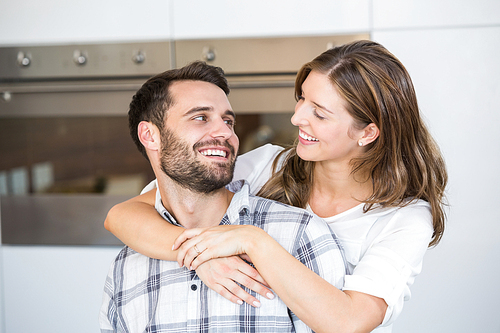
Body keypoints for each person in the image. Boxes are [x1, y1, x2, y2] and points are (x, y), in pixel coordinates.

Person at [104, 40, 448, 333]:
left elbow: (348, 322)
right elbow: (125, 214)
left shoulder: (404, 219)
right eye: (302, 99)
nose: (297, 118)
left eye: (320, 113)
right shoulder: (270, 165)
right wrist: (199, 256)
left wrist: (251, 240)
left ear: (367, 133)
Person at [99, 61, 347, 332]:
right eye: (200, 117)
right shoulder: (127, 266)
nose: (226, 133)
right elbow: (118, 215)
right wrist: (201, 254)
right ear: (150, 135)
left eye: (228, 121)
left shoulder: (300, 236)